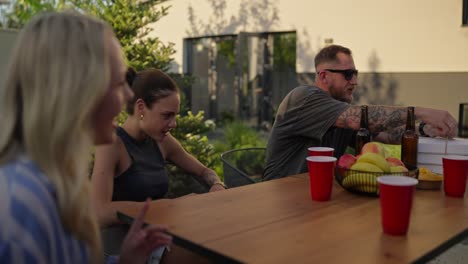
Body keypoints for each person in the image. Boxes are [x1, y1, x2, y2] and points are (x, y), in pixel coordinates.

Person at [0, 11, 172, 263]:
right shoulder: (22, 208)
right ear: (77, 91)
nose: (127, 95)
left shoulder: (54, 181)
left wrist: (126, 260)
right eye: (117, 83)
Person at [263, 44, 458, 181]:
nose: (355, 81)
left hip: (315, 198)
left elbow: (382, 134)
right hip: (279, 197)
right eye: (348, 74)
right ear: (324, 76)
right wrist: (420, 112)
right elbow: (362, 119)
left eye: (355, 74)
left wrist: (424, 129)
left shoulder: (339, 111)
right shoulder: (304, 97)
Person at [91, 67, 225, 227]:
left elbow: (204, 172)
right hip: (125, 245)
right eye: (167, 115)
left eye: (175, 116)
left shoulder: (163, 142)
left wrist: (217, 184)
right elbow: (99, 211)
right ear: (141, 107)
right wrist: (170, 206)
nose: (173, 124)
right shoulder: (112, 145)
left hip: (161, 234)